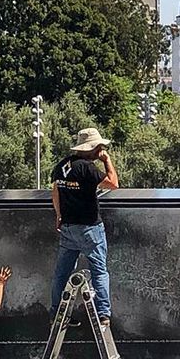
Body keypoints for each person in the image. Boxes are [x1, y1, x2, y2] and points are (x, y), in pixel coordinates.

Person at [50, 127, 119, 325]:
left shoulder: (62, 165)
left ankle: (57, 313)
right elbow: (113, 183)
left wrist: (59, 215)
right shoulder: (86, 168)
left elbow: (55, 191)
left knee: (62, 272)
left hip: (68, 227)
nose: (101, 149)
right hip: (89, 227)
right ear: (92, 148)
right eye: (99, 147)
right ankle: (103, 313)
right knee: (99, 270)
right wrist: (107, 161)